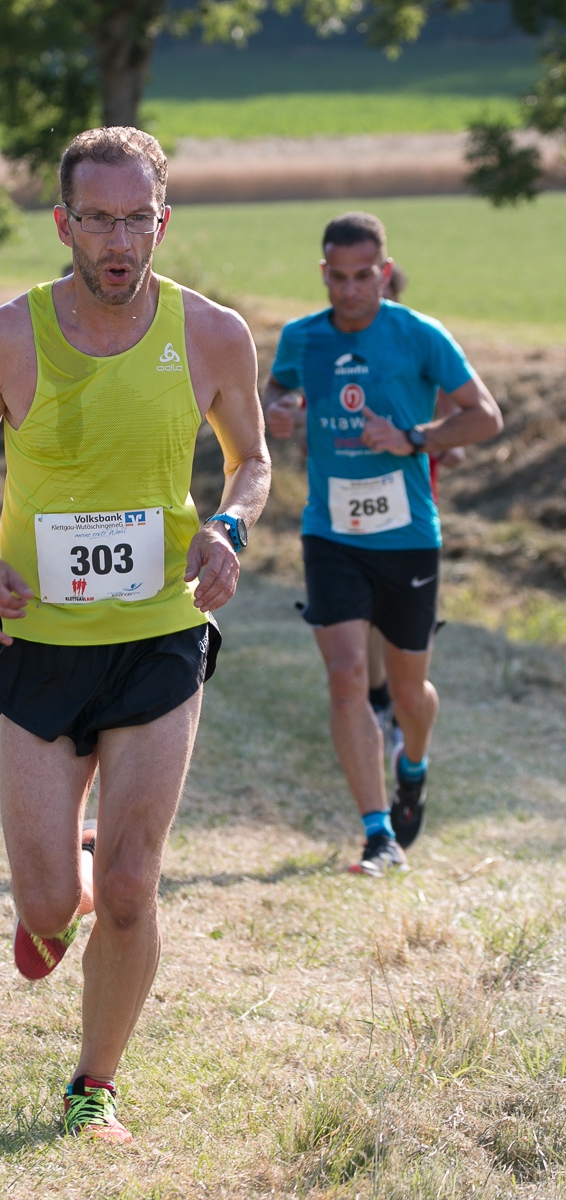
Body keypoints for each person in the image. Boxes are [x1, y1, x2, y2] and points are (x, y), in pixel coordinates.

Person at [0, 126, 270, 1142]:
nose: (118, 241)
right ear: (63, 223)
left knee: (129, 889)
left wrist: (229, 527)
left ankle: (93, 1087)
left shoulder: (213, 335)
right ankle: (59, 886)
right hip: (38, 639)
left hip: (161, 631)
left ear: (162, 221)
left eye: (136, 220)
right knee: (49, 907)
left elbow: (250, 459)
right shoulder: (8, 335)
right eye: (97, 220)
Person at [264, 211, 502, 877]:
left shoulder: (419, 334)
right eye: (338, 277)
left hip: (407, 537)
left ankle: (413, 768)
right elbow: (279, 385)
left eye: (363, 276)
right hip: (330, 531)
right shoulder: (302, 336)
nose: (350, 289)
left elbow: (485, 416)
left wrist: (414, 438)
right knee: (345, 675)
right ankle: (377, 835)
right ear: (323, 274)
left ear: (384, 271)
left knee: (408, 692)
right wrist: (278, 409)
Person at [367, 263, 467, 753]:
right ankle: (378, 702)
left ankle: (392, 700)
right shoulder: (344, 345)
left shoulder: (423, 343)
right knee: (367, 611)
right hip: (355, 500)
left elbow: (457, 430)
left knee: (395, 613)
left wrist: (424, 440)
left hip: (413, 502)